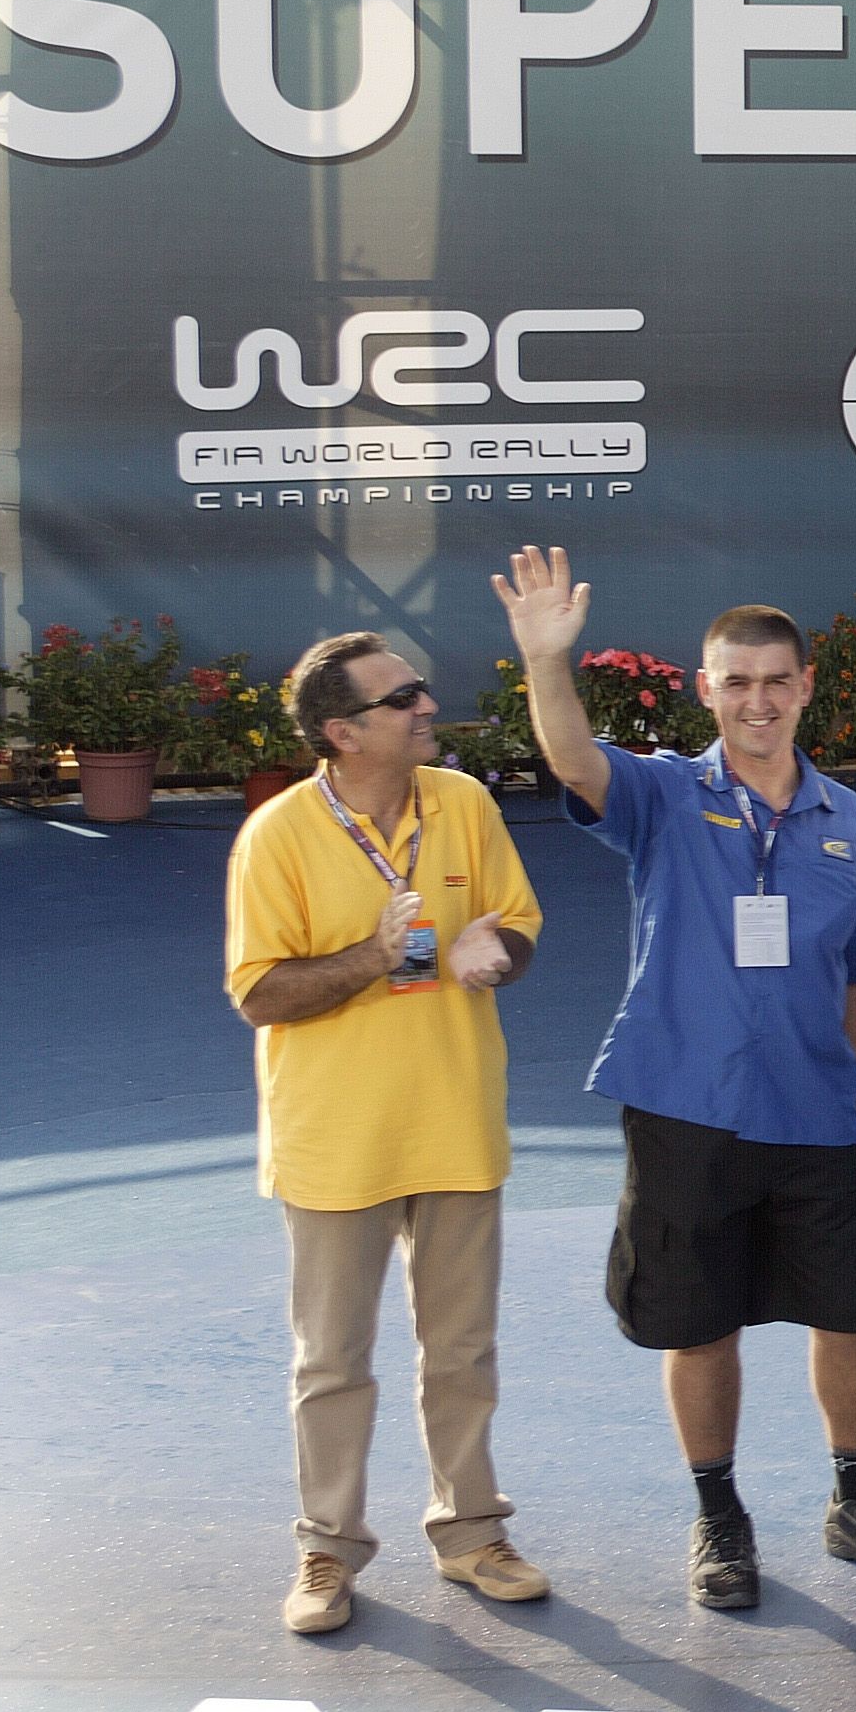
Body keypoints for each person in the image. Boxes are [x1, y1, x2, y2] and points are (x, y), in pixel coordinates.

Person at [496, 552, 856, 1612]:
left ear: (807, 686)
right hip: (685, 1109)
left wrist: (837, 1085)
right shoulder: (663, 795)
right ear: (705, 690)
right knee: (698, 1322)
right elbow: (572, 758)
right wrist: (546, 661)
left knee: (852, 1313)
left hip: (816, 1117)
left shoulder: (849, 821)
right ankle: (719, 1514)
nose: (757, 701)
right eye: (737, 682)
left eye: (776, 681)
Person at [227, 634, 549, 1637]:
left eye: (420, 688)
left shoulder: (466, 804)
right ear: (342, 730)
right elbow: (260, 993)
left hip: (454, 1121)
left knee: (463, 1351)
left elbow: (517, 923)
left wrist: (496, 950)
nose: (426, 706)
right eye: (401, 696)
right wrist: (376, 957)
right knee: (332, 1360)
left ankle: (472, 1532)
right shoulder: (277, 836)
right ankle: (327, 1548)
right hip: (335, 1143)